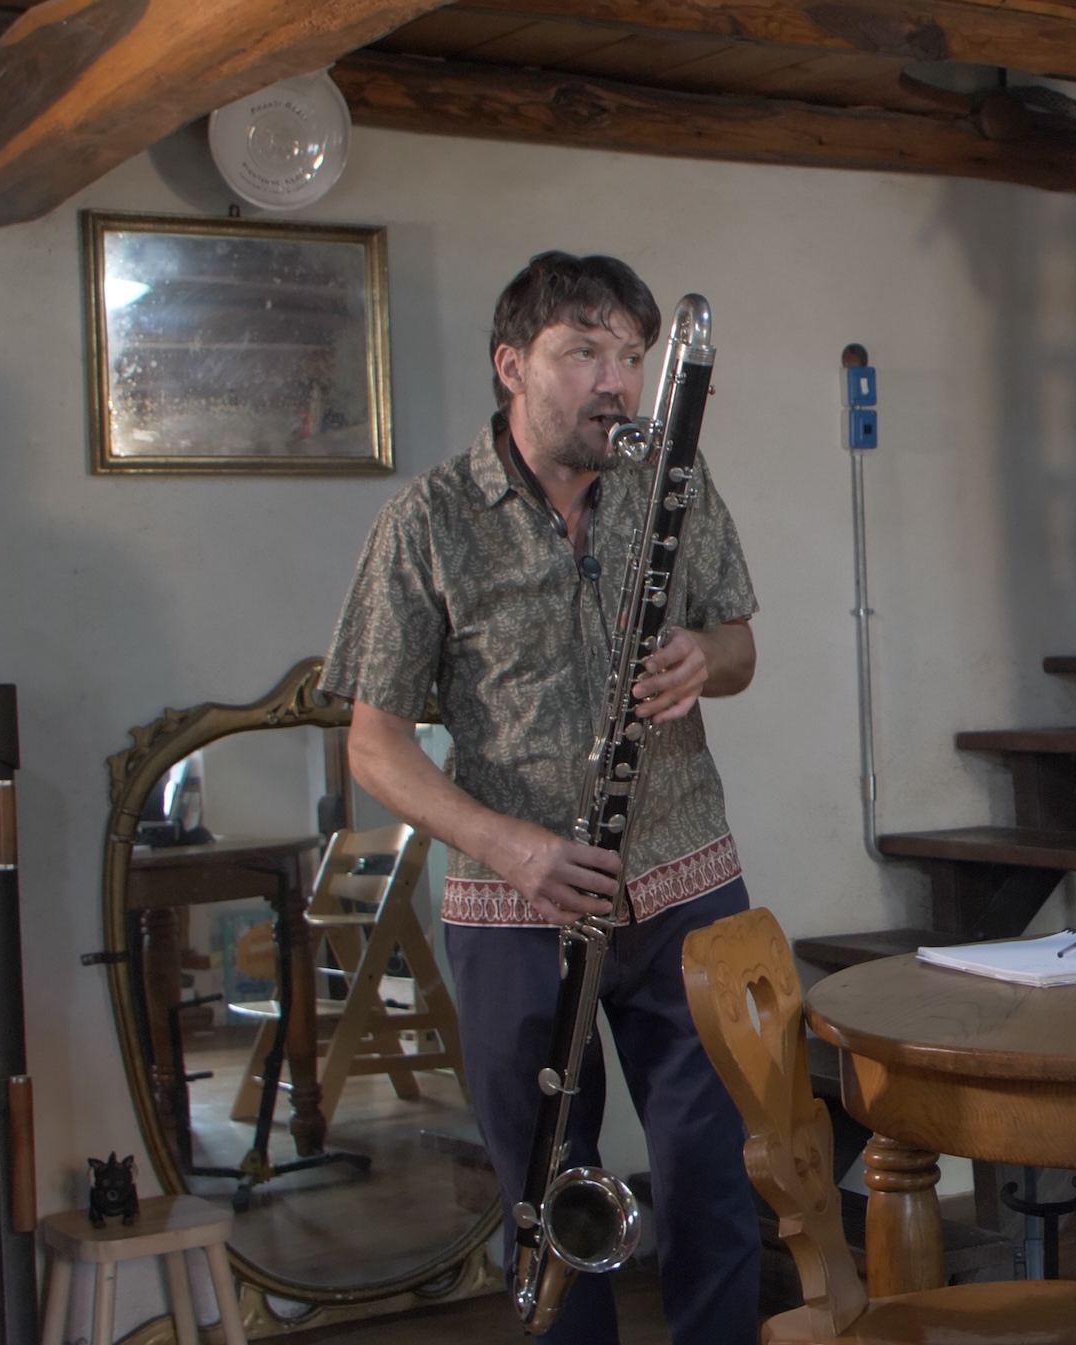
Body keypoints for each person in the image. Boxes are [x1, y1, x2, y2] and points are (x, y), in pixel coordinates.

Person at [322, 252, 762, 1345]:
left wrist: (705, 654)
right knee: (550, 1198)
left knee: (715, 1175)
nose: (617, 381)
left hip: (684, 879)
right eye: (584, 352)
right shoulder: (427, 520)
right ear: (511, 365)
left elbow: (741, 645)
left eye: (631, 355)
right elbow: (373, 746)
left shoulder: (674, 478)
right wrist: (508, 846)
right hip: (514, 902)